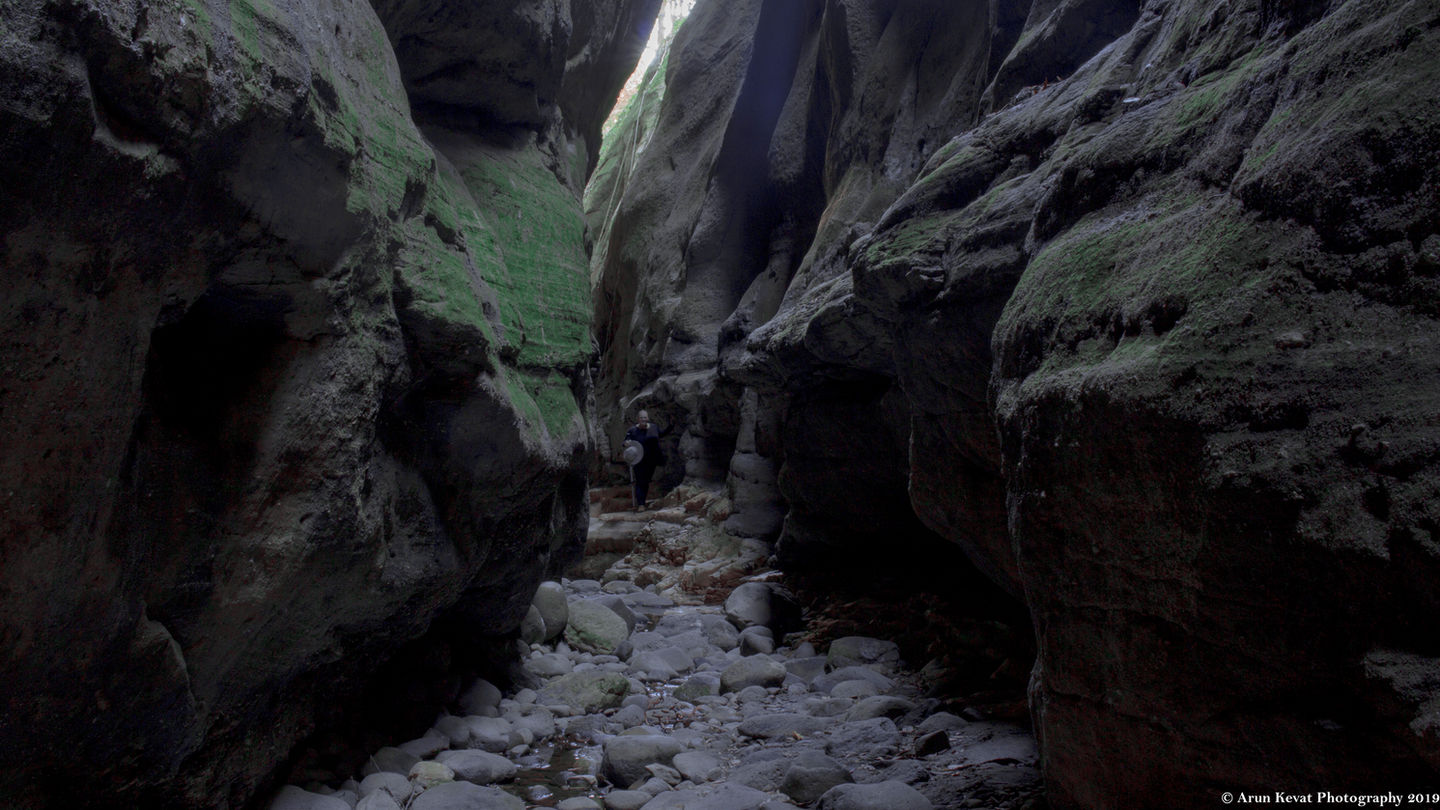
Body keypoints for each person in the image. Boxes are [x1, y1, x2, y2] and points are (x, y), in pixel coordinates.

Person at [624, 410, 670, 511]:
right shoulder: (632, 430)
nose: (643, 419)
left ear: (648, 418)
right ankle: (641, 504)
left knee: (646, 481)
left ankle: (642, 501)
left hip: (651, 460)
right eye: (641, 418)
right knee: (640, 481)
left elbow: (662, 434)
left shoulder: (653, 427)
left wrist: (671, 425)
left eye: (645, 417)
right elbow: (626, 441)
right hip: (638, 460)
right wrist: (626, 443)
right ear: (638, 419)